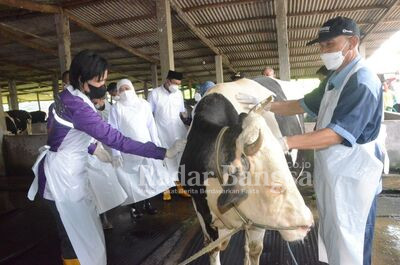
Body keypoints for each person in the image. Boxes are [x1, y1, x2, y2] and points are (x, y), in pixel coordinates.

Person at [236, 17, 384, 265]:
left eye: (330, 45)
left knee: (352, 241)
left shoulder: (362, 81)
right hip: (334, 170)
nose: (324, 51)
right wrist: (266, 105)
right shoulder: (334, 79)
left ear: (353, 42)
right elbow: (301, 105)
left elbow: (336, 133)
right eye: (321, 46)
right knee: (334, 235)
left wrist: (284, 143)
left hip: (354, 176)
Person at [27, 50, 186, 265]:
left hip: (64, 168)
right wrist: (162, 152)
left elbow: (64, 135)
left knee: (79, 229)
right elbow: (117, 139)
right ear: (82, 80)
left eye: (105, 79)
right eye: (98, 80)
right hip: (63, 179)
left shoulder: (67, 97)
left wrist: (93, 149)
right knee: (74, 235)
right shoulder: (80, 108)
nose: (103, 85)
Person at [110, 79, 177, 218]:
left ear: (132, 88)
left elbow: (151, 126)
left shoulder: (143, 104)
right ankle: (134, 207)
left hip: (146, 147)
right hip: (127, 149)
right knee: (132, 179)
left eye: (126, 88)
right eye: (121, 90)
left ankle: (148, 203)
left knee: (147, 177)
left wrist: (156, 145)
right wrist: (115, 153)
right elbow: (113, 131)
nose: (124, 92)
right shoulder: (116, 108)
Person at [148, 70, 190, 200]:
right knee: (165, 159)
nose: (176, 86)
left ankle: (179, 185)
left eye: (179, 84)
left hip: (178, 130)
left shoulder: (179, 94)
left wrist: (188, 120)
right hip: (162, 131)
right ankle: (165, 188)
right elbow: (149, 115)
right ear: (167, 81)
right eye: (174, 83)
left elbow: (182, 112)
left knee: (178, 158)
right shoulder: (154, 94)